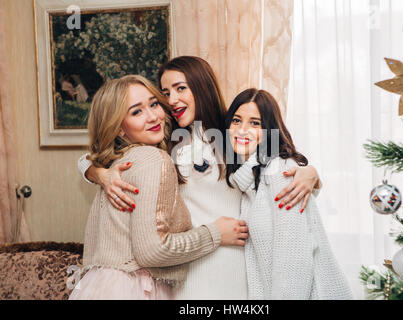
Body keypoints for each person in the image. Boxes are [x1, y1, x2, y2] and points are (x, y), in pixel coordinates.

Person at [77, 56, 322, 299]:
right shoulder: (166, 142)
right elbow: (88, 158)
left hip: (234, 266)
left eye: (180, 88)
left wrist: (311, 174)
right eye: (165, 92)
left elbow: (278, 162)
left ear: (202, 87)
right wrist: (101, 174)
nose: (172, 100)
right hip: (186, 265)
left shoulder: (233, 135)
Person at [69, 75, 248, 300]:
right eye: (137, 112)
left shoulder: (123, 159)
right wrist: (215, 233)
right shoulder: (154, 158)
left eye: (154, 104)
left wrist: (307, 173)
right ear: (120, 129)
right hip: (135, 287)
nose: (154, 115)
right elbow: (153, 251)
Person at [225, 88, 353, 299]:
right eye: (237, 120)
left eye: (255, 123)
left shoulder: (280, 169)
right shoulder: (248, 181)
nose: (242, 130)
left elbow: (294, 262)